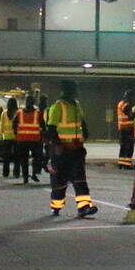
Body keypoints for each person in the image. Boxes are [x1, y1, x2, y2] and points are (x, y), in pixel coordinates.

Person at [46, 82, 96, 218]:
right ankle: (56, 206)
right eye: (73, 89)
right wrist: (57, 145)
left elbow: (81, 121)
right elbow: (50, 128)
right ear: (65, 91)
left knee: (80, 178)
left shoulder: (77, 105)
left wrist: (85, 132)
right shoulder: (57, 107)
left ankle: (84, 207)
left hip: (76, 150)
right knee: (59, 181)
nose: (76, 92)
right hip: (62, 151)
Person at [115, 91, 135, 169]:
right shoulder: (125, 105)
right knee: (129, 147)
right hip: (127, 129)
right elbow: (130, 116)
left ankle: (121, 163)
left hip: (123, 128)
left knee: (123, 147)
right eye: (132, 97)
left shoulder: (121, 103)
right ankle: (127, 165)